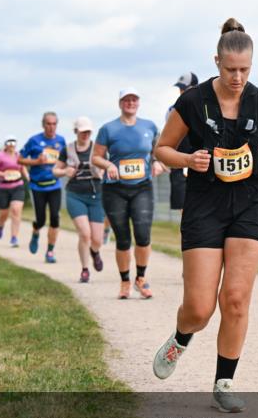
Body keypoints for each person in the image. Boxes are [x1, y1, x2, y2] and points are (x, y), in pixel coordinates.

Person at [152, 18, 258, 412]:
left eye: (245, 70)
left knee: (235, 298)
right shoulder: (192, 102)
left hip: (250, 203)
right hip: (205, 204)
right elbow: (161, 149)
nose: (237, 77)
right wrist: (187, 159)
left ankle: (224, 381)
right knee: (200, 307)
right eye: (230, 69)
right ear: (217, 61)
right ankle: (182, 337)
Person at [92, 88, 163, 299]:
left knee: (142, 235)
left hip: (142, 186)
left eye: (134, 99)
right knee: (123, 239)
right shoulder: (108, 129)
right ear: (120, 103)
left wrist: (157, 162)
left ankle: (140, 279)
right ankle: (124, 281)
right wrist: (108, 165)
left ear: (138, 102)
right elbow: (96, 157)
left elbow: (157, 151)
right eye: (126, 100)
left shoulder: (149, 126)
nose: (130, 103)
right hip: (115, 189)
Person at [53, 117, 106, 283]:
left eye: (88, 132)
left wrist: (103, 171)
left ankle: (95, 252)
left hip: (96, 195)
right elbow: (55, 170)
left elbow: (108, 164)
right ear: (76, 131)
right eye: (82, 132)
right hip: (75, 195)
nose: (85, 135)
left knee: (97, 239)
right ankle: (85, 269)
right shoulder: (67, 149)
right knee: (85, 234)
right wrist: (64, 172)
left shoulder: (98, 149)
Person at [18, 112, 66, 263]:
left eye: (54, 124)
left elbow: (65, 160)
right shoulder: (34, 140)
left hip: (54, 185)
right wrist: (36, 162)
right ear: (43, 125)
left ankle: (50, 251)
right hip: (38, 186)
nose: (51, 127)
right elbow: (20, 159)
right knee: (41, 220)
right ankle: (36, 232)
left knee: (55, 218)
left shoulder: (61, 141)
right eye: (48, 124)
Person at [167, 72, 198, 216]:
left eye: (184, 88)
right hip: (180, 167)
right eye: (180, 89)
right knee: (185, 213)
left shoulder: (205, 109)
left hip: (200, 166)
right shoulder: (172, 110)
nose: (181, 92)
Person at [0, 136, 27, 247]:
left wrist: (28, 178)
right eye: (9, 142)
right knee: (4, 213)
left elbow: (23, 168)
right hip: (3, 187)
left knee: (16, 210)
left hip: (18, 186)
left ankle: (14, 238)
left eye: (13, 142)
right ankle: (1, 226)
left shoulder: (18, 155)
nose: (11, 145)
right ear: (5, 144)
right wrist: (3, 174)